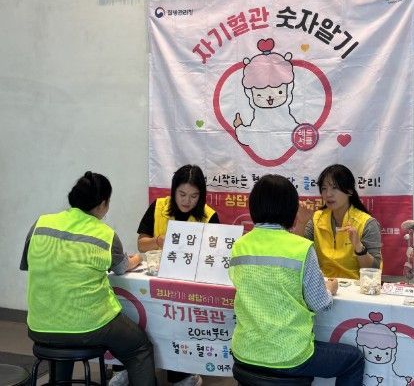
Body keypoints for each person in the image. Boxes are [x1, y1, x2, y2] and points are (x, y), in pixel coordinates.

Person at [19, 171, 156, 385]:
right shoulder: (105, 234)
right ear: (102, 204)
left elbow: (29, 265)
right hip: (89, 325)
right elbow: (122, 267)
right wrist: (137, 258)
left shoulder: (41, 224)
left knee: (63, 340)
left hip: (40, 325)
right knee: (139, 347)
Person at [229, 174, 364, 384]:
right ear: (292, 211)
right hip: (290, 355)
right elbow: (320, 304)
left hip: (245, 351)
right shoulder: (301, 248)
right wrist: (330, 289)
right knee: (354, 360)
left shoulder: (239, 245)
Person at [111, 164, 217, 386]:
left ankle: (182, 373)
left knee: (180, 323)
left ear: (201, 196)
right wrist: (160, 240)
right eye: (182, 194)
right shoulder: (159, 207)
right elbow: (141, 244)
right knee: (133, 315)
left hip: (189, 283)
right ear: (174, 190)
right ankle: (128, 367)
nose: (187, 201)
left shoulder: (209, 216)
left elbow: (215, 256)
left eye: (194, 196)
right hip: (155, 275)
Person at [295, 164, 382, 279]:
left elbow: (374, 271)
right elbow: (298, 254)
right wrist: (301, 223)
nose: (328, 194)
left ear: (349, 191)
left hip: (355, 286)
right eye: (324, 188)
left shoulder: (367, 223)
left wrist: (358, 247)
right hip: (323, 285)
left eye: (334, 188)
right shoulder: (316, 218)